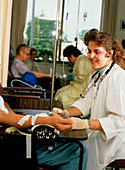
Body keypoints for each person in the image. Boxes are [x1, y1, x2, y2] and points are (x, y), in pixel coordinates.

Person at [0, 35, 87, 170]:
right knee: (76, 150)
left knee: (64, 140)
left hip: (9, 134)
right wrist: (46, 121)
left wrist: (15, 117)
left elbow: (1, 102)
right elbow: (2, 117)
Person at [52, 29, 125, 170]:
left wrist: (85, 123)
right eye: (89, 51)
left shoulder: (118, 77)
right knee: (70, 150)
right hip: (99, 134)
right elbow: (86, 102)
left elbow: (118, 122)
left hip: (113, 140)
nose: (91, 56)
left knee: (74, 155)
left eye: (97, 52)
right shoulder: (96, 75)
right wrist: (66, 113)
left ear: (109, 53)